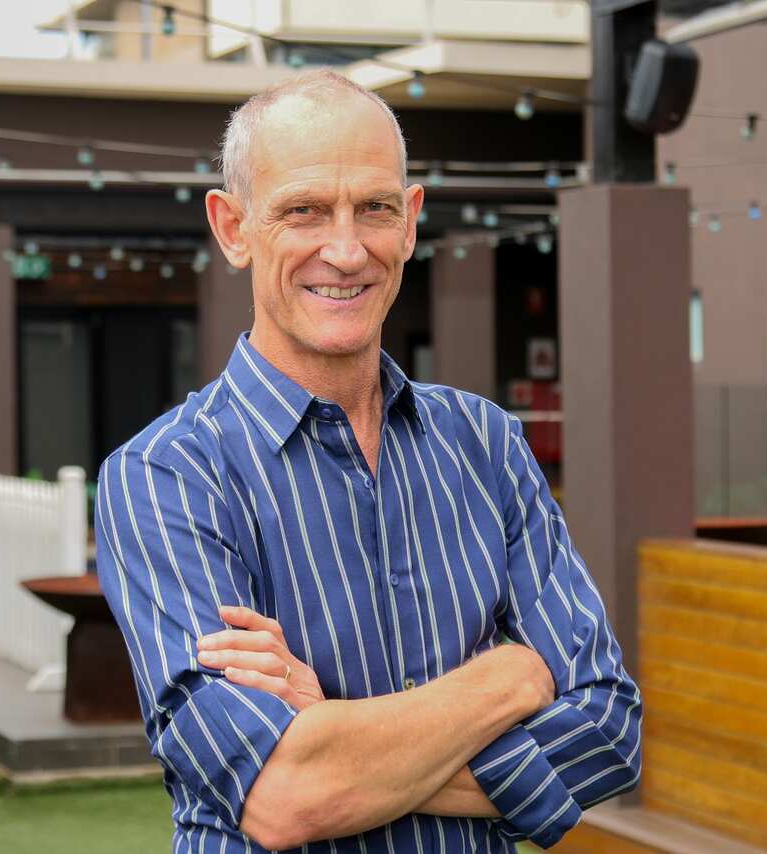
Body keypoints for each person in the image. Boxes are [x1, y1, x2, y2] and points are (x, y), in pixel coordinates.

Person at [95, 69, 641, 853]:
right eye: (305, 211)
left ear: (411, 222)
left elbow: (609, 727)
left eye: (376, 209)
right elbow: (283, 795)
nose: (346, 250)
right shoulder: (168, 476)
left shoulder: (485, 443)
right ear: (233, 228)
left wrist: (329, 727)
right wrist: (509, 679)